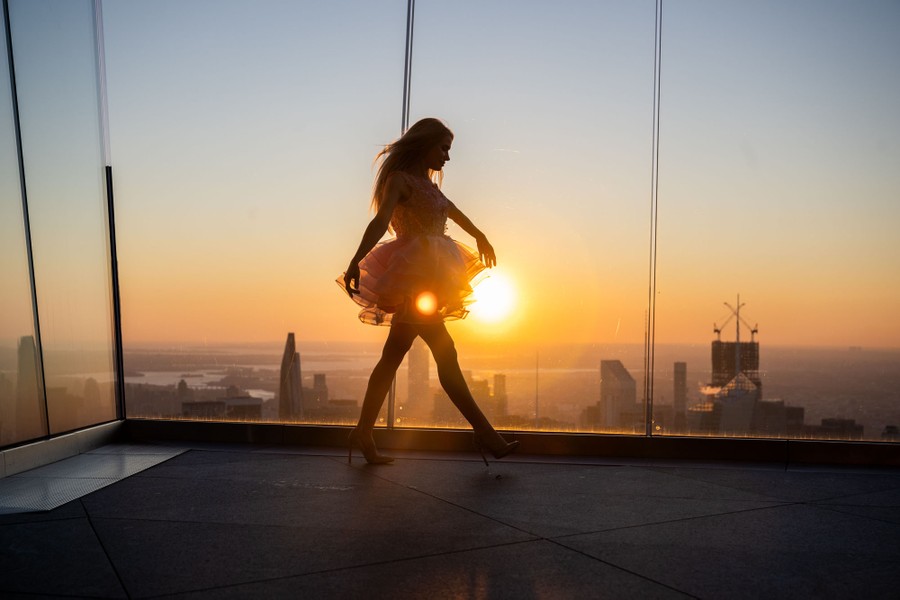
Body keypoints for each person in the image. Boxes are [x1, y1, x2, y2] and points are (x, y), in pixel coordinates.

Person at [339, 117, 519, 465]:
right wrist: (356, 260)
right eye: (444, 148)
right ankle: (486, 436)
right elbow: (380, 221)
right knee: (443, 354)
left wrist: (480, 234)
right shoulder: (400, 181)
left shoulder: (428, 185)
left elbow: (453, 211)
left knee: (394, 358)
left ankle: (363, 432)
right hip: (414, 280)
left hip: (427, 280)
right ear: (425, 145)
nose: (447, 157)